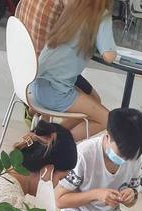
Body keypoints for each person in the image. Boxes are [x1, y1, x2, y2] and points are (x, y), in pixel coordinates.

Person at [30, 0, 117, 142]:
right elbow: (109, 56)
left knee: (94, 99)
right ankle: (54, 144)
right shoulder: (101, 16)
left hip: (36, 84)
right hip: (56, 91)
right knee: (107, 120)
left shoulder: (72, 6)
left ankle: (51, 134)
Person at [56, 107, 142, 211]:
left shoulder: (135, 158)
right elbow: (59, 200)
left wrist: (131, 195)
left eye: (130, 156)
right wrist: (96, 195)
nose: (125, 159)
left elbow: (132, 201)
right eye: (121, 154)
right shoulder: (84, 154)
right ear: (107, 137)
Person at [16, 0, 103, 106]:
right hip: (46, 74)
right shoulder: (65, 3)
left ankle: (37, 114)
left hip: (23, 67)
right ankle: (38, 113)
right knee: (94, 99)